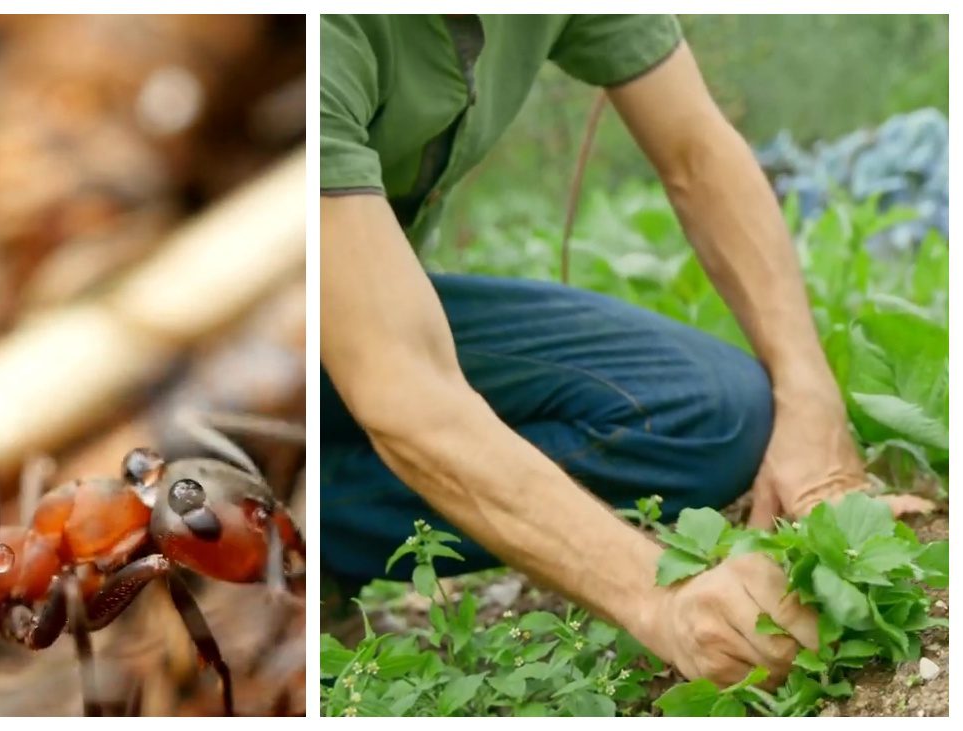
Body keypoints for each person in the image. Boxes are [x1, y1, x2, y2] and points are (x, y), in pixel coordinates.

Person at [320, 14, 930, 689]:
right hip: (239, 338)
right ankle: (287, 521)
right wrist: (660, 599)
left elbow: (696, 150)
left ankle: (320, 512)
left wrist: (809, 396)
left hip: (365, 297)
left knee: (715, 410)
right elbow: (409, 390)